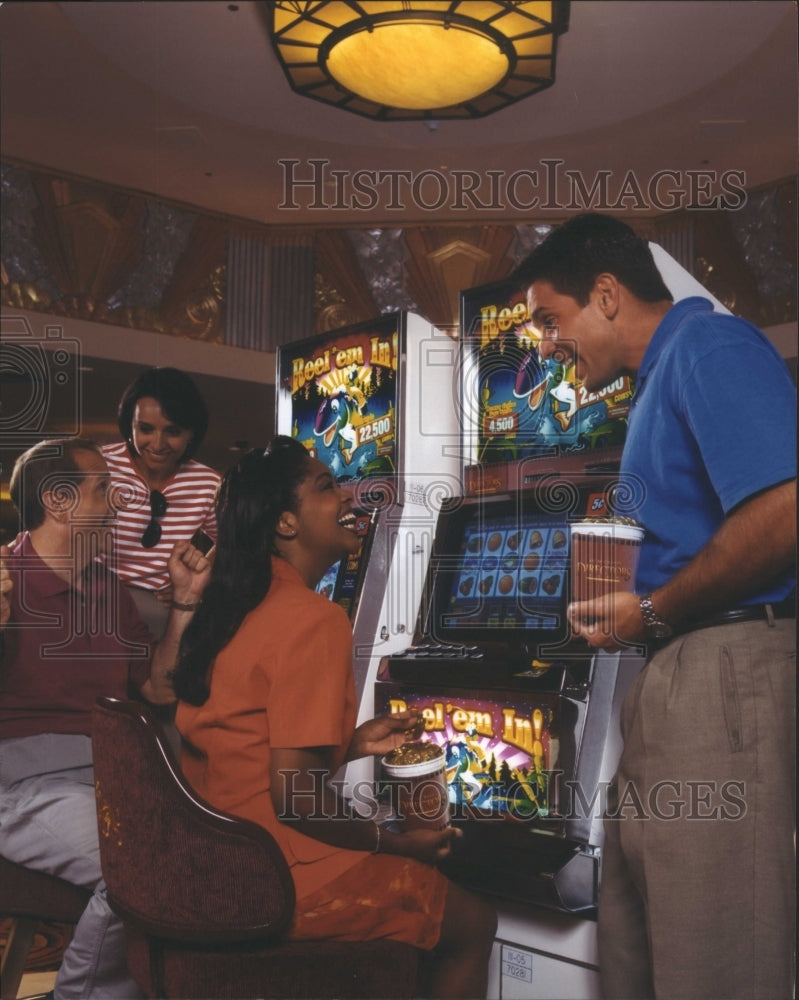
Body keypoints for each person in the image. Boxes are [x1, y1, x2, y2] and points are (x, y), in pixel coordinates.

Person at [514, 213, 796, 1000]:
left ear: (605, 295)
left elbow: (784, 511)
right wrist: (637, 607)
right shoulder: (656, 378)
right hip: (674, 674)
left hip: (722, 669)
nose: (541, 344)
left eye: (548, 318)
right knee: (643, 950)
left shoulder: (709, 346)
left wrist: (656, 609)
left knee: (716, 957)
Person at [172, 437, 497, 999]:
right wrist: (396, 845)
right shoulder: (312, 617)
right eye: (325, 486)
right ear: (286, 523)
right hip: (281, 877)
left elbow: (241, 746)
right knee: (472, 924)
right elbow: (296, 797)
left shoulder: (231, 607)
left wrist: (348, 745)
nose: (346, 495)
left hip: (217, 868)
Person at [0, 437, 211, 1000]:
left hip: (113, 776)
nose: (118, 503)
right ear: (58, 500)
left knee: (204, 857)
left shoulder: (108, 587)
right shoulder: (4, 575)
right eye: (103, 488)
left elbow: (158, 689)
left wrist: (184, 603)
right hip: (23, 785)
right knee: (142, 866)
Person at [101, 366, 220, 634]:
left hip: (160, 614)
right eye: (145, 429)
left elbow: (233, 540)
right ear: (129, 425)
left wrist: (193, 582)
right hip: (96, 604)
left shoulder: (208, 482)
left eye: (172, 431)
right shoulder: (100, 465)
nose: (157, 444)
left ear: (192, 433)